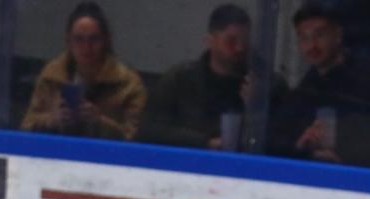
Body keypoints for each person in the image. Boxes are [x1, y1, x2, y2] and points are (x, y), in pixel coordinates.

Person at [272, 3, 370, 171]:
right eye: (303, 38)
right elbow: (280, 144)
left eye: (319, 35)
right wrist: (301, 144)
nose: (311, 45)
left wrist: (346, 156)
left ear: (338, 34)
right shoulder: (303, 91)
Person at [142, 4, 284, 150]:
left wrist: (257, 108)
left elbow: (282, 141)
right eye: (231, 41)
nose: (240, 48)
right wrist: (204, 143)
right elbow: (150, 131)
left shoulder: (268, 85)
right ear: (210, 41)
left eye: (245, 41)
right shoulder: (180, 80)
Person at [20, 2, 146, 141]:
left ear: (106, 41)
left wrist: (100, 121)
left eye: (94, 39)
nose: (86, 47)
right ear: (68, 41)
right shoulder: (51, 77)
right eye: (79, 40)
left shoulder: (128, 85)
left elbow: (137, 139)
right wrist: (51, 120)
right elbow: (26, 127)